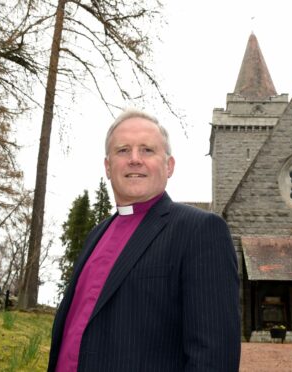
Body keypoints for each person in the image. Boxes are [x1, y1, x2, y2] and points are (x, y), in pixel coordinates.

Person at [48, 109, 240, 371]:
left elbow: (213, 357)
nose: (134, 159)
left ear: (169, 165)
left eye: (147, 150)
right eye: (123, 150)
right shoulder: (96, 235)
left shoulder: (200, 231)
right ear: (107, 166)